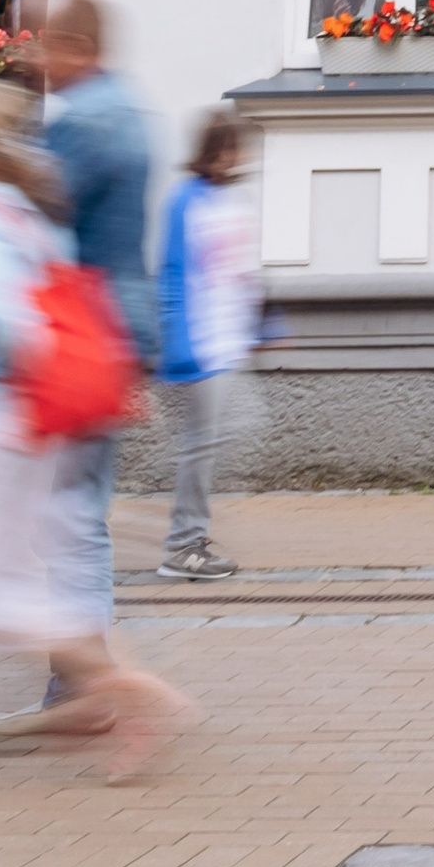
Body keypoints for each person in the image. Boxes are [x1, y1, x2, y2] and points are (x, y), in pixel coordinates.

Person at [0, 75, 192, 796]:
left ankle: (125, 687)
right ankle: (122, 689)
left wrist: (40, 370)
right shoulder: (24, 211)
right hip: (19, 425)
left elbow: (5, 321)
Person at [11, 0, 155, 647]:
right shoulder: (127, 111)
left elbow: (37, 218)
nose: (36, 57)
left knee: (69, 513)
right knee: (76, 507)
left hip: (86, 329)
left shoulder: (83, 124)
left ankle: (82, 681)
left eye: (42, 44)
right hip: (119, 324)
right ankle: (77, 672)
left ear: (75, 48)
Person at [154, 112, 257, 585]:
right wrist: (179, 342)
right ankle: (183, 544)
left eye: (237, 151)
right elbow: (173, 274)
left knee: (217, 438)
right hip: (200, 345)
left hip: (227, 343)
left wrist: (260, 326)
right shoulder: (185, 202)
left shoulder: (229, 201)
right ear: (208, 152)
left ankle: (187, 535)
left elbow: (239, 273)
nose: (233, 159)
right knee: (201, 445)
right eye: (225, 150)